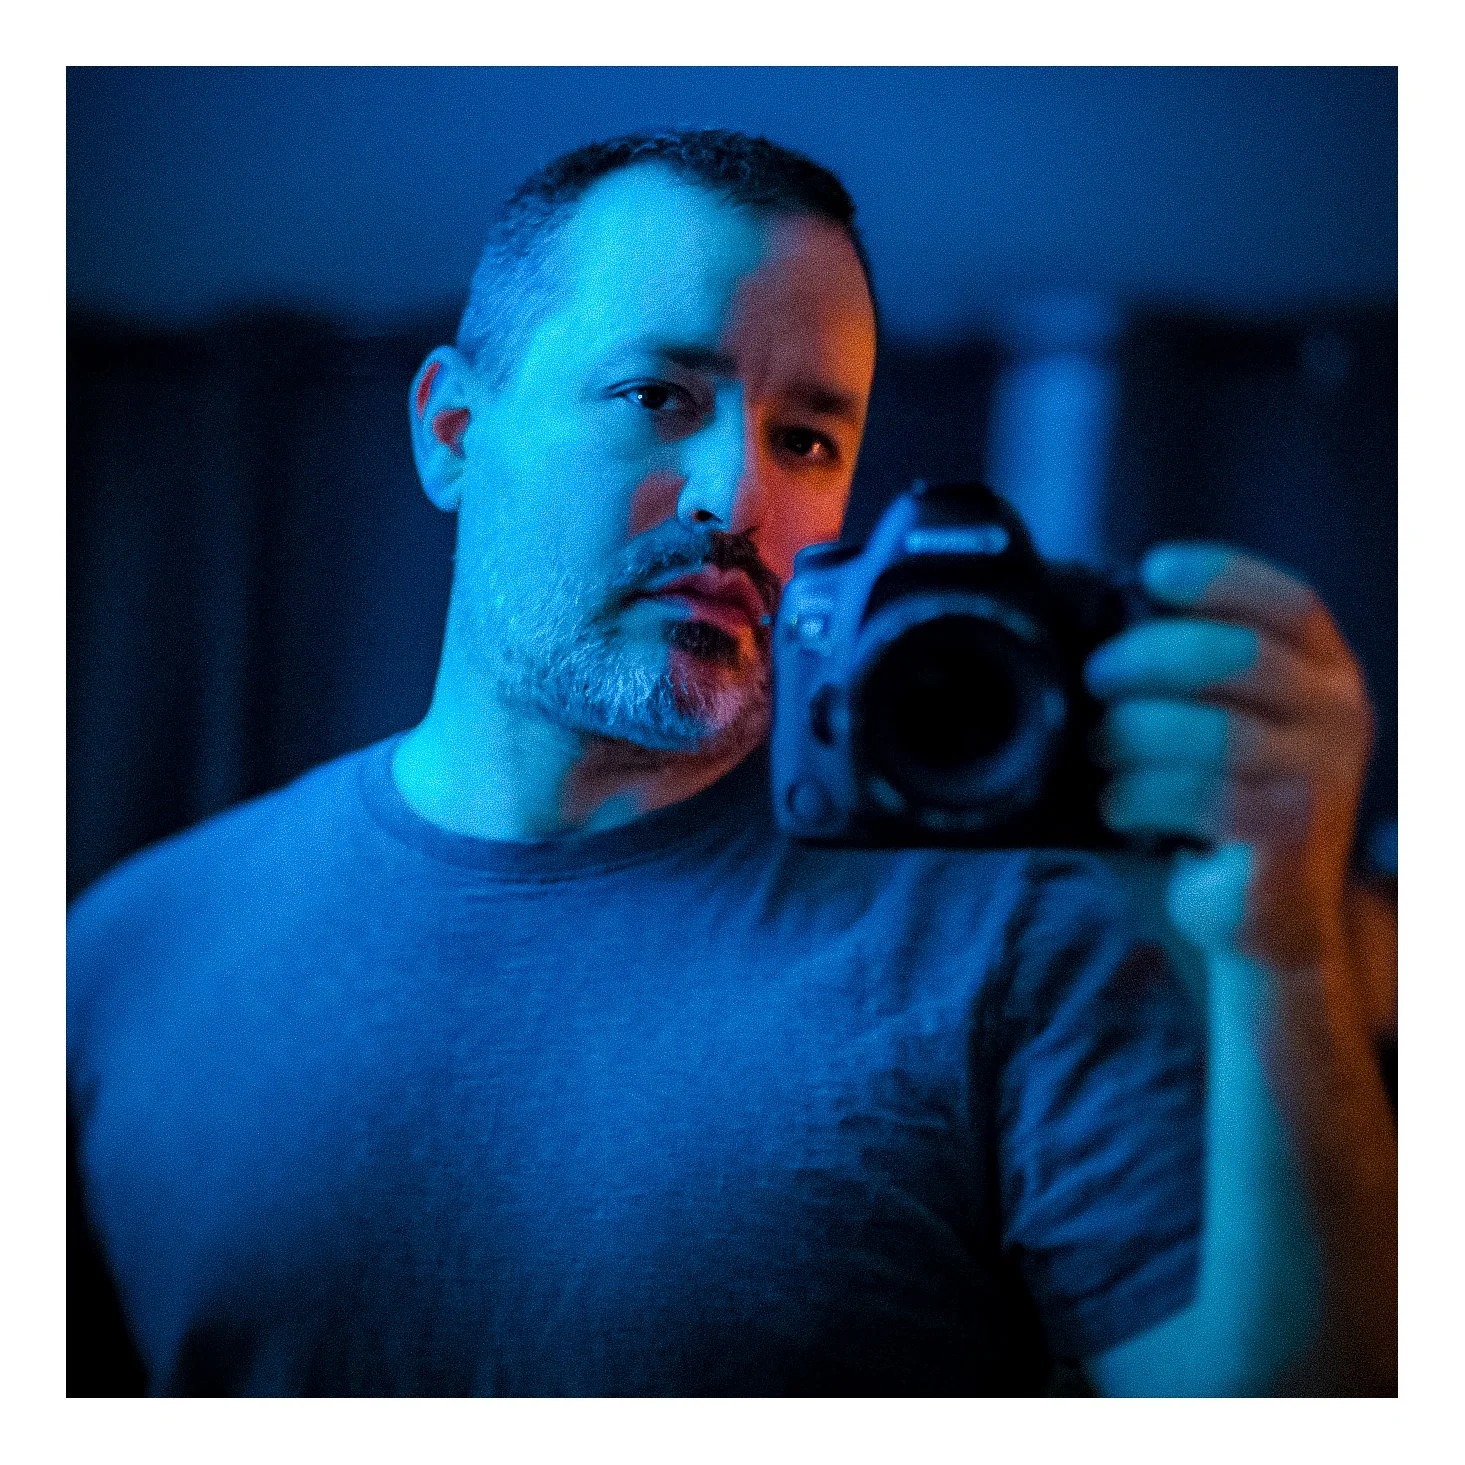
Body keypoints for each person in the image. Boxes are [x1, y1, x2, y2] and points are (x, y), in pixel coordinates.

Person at [66, 129, 1396, 1396]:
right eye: (659, 397)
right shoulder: (118, 960)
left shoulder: (1012, 937)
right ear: (453, 432)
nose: (738, 498)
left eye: (807, 438)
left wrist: (1280, 955)